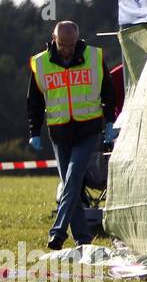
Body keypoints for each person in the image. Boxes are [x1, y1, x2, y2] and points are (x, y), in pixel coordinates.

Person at [27, 21, 117, 250]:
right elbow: (35, 102)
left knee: (73, 177)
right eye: (63, 44)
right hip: (59, 133)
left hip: (88, 130)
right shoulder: (41, 63)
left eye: (71, 44)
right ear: (53, 38)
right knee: (70, 183)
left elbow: (108, 90)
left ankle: (58, 231)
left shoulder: (94, 57)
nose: (67, 49)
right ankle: (83, 239)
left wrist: (109, 121)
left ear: (77, 39)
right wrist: (33, 131)